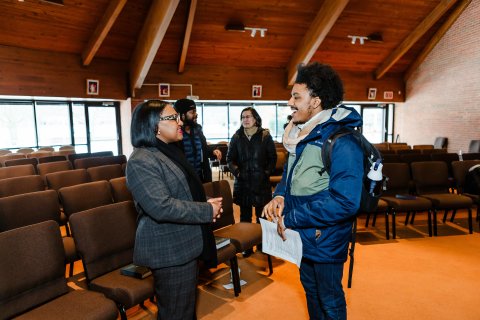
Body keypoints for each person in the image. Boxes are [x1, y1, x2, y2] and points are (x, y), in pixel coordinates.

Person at [262, 62, 364, 320]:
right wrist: (279, 195)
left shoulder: (343, 142)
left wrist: (292, 218)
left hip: (325, 236)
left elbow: (345, 203)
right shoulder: (302, 134)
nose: (290, 102)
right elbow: (290, 174)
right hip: (302, 232)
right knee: (310, 290)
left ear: (316, 101)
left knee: (329, 300)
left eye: (297, 96)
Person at [126, 100, 223, 320]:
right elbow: (161, 206)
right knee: (176, 313)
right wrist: (206, 210)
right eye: (173, 118)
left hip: (184, 244)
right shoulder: (141, 160)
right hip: (169, 250)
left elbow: (181, 189)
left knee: (184, 310)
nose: (180, 121)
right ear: (154, 125)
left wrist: (205, 200)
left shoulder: (167, 151)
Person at [227, 107, 276, 255]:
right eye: (243, 117)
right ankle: (247, 247)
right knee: (245, 218)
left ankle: (263, 244)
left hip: (261, 182)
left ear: (255, 118)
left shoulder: (265, 136)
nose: (245, 120)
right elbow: (230, 159)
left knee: (263, 217)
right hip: (243, 183)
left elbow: (272, 158)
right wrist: (238, 172)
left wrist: (266, 173)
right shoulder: (236, 137)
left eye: (248, 117)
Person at [174, 98, 222, 183]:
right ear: (182, 115)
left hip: (201, 177)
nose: (196, 115)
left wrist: (213, 151)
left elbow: (203, 149)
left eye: (195, 112)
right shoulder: (175, 133)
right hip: (184, 180)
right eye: (192, 112)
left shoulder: (198, 130)